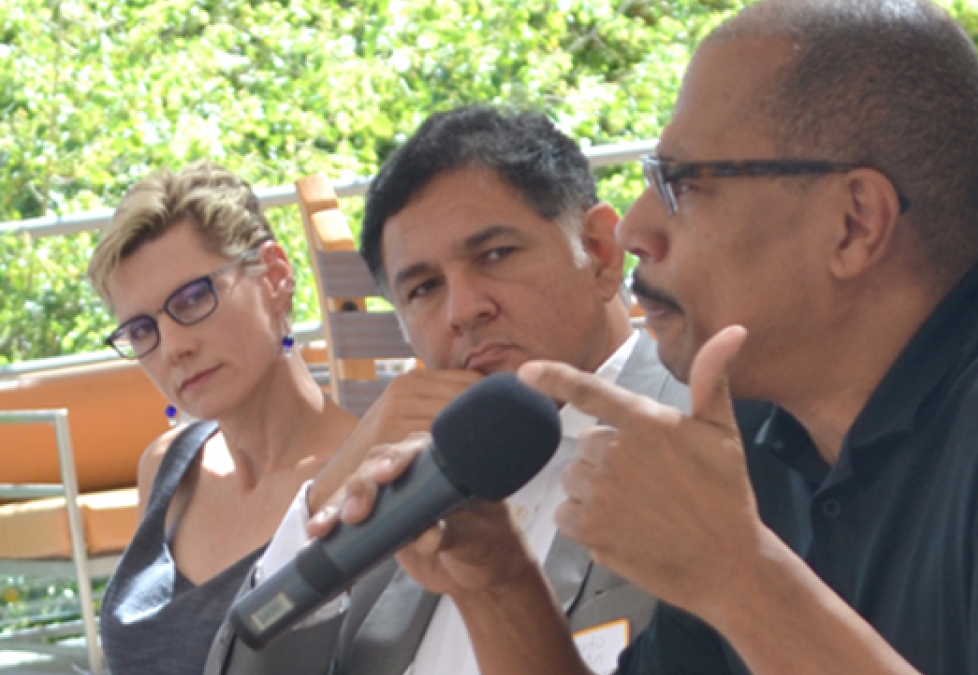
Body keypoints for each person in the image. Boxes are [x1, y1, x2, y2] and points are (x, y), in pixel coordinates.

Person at [319, 1, 978, 674]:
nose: (632, 231)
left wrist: (739, 576)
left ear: (854, 222)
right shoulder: (774, 434)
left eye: (683, 185)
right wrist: (497, 579)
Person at [202, 106, 699, 675]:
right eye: (424, 288)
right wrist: (327, 498)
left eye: (495, 255)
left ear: (600, 252)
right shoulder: (407, 488)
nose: (464, 310)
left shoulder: (706, 439)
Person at [86, 161, 359, 675]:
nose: (173, 347)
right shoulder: (167, 467)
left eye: (193, 298)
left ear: (275, 276)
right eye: (142, 330)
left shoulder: (368, 472)